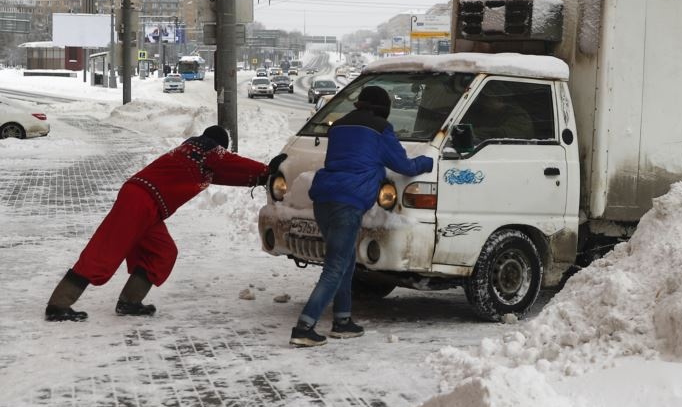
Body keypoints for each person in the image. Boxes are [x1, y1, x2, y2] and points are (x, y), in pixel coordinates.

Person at [45, 126, 285, 322]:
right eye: (222, 149)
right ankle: (59, 304)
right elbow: (232, 163)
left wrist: (263, 177)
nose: (221, 153)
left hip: (149, 205)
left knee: (162, 252)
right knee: (105, 250)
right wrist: (268, 168)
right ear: (217, 145)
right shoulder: (205, 149)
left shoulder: (196, 158)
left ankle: (130, 302)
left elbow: (230, 174)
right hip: (140, 200)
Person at [291, 86, 432, 347]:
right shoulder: (380, 130)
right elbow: (405, 166)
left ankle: (343, 321)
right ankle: (304, 327)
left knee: (344, 262)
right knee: (335, 266)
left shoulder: (340, 126)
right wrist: (428, 162)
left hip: (325, 198)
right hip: (348, 202)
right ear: (383, 108)